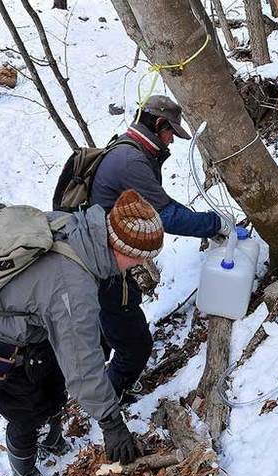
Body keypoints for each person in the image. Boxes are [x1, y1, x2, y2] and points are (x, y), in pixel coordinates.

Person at [0, 190, 164, 476]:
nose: (140, 264)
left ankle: (52, 438)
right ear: (123, 248)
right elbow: (83, 367)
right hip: (5, 350)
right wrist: (112, 424)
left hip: (35, 332)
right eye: (141, 257)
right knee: (25, 417)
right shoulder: (72, 286)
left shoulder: (77, 226)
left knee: (52, 393)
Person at [89, 95, 229, 400]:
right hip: (105, 264)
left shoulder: (131, 149)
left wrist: (205, 222)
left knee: (108, 326)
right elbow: (164, 216)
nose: (172, 141)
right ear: (159, 124)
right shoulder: (132, 161)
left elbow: (161, 203)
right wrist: (214, 225)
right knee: (135, 343)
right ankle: (108, 401)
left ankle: (97, 382)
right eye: (170, 133)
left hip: (102, 257)